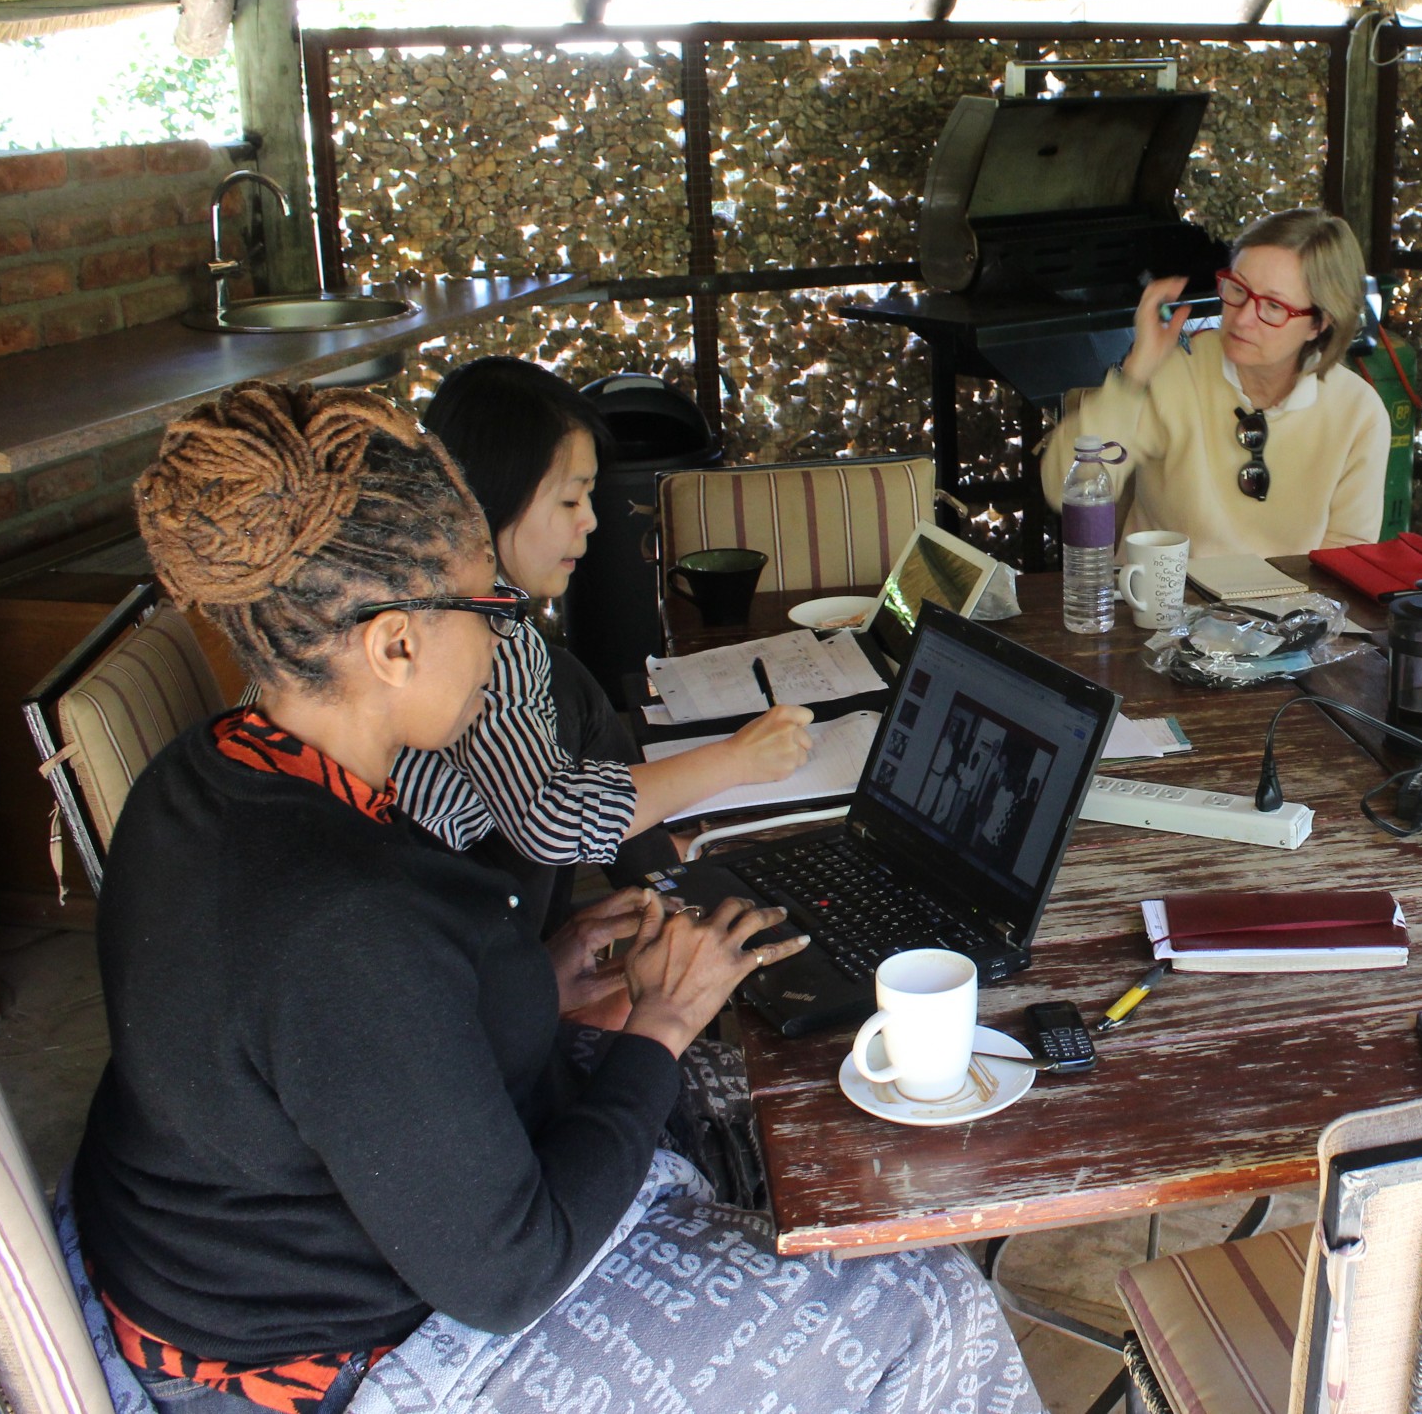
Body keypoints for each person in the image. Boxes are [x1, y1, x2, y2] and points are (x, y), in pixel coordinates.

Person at [67, 381, 1035, 1414]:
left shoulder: (208, 775)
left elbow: (330, 1045)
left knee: (773, 1090)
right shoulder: (339, 920)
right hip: (337, 1358)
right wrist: (655, 1027)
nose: (507, 639)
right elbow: (507, 1270)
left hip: (262, 1236)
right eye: (493, 609)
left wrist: (539, 972)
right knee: (921, 1305)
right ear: (395, 644)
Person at [393, 357, 813, 932]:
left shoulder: (398, 578)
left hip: (399, 878)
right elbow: (551, 821)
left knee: (565, 682)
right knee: (563, 692)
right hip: (416, 915)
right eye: (570, 500)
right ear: (494, 493)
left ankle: (671, 894)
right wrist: (736, 759)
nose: (590, 520)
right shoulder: (476, 629)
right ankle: (672, 914)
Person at [1040, 207, 1390, 558]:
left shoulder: (1358, 413)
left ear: (1319, 323)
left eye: (1272, 306)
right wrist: (1136, 372)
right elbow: (1065, 488)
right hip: (1158, 603)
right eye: (1237, 288)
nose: (1242, 318)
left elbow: (1346, 563)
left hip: (1287, 609)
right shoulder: (1177, 372)